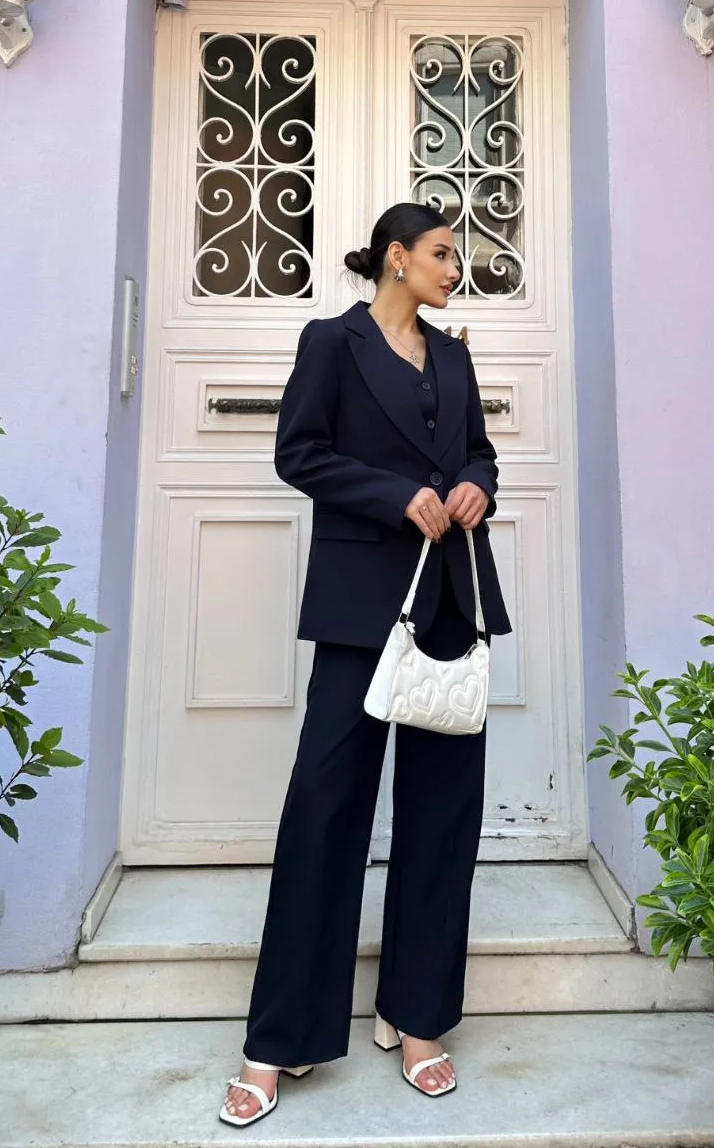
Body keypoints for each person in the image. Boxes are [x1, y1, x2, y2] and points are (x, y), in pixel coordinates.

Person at [219, 202, 512, 1128]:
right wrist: (397, 496)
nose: (455, 270)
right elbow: (298, 453)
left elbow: (479, 454)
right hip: (358, 609)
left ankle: (417, 1020)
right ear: (396, 258)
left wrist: (476, 486)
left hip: (449, 600)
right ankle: (282, 1038)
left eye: (456, 258)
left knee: (442, 815)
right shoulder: (331, 343)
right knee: (325, 808)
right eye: (442, 254)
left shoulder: (454, 357)